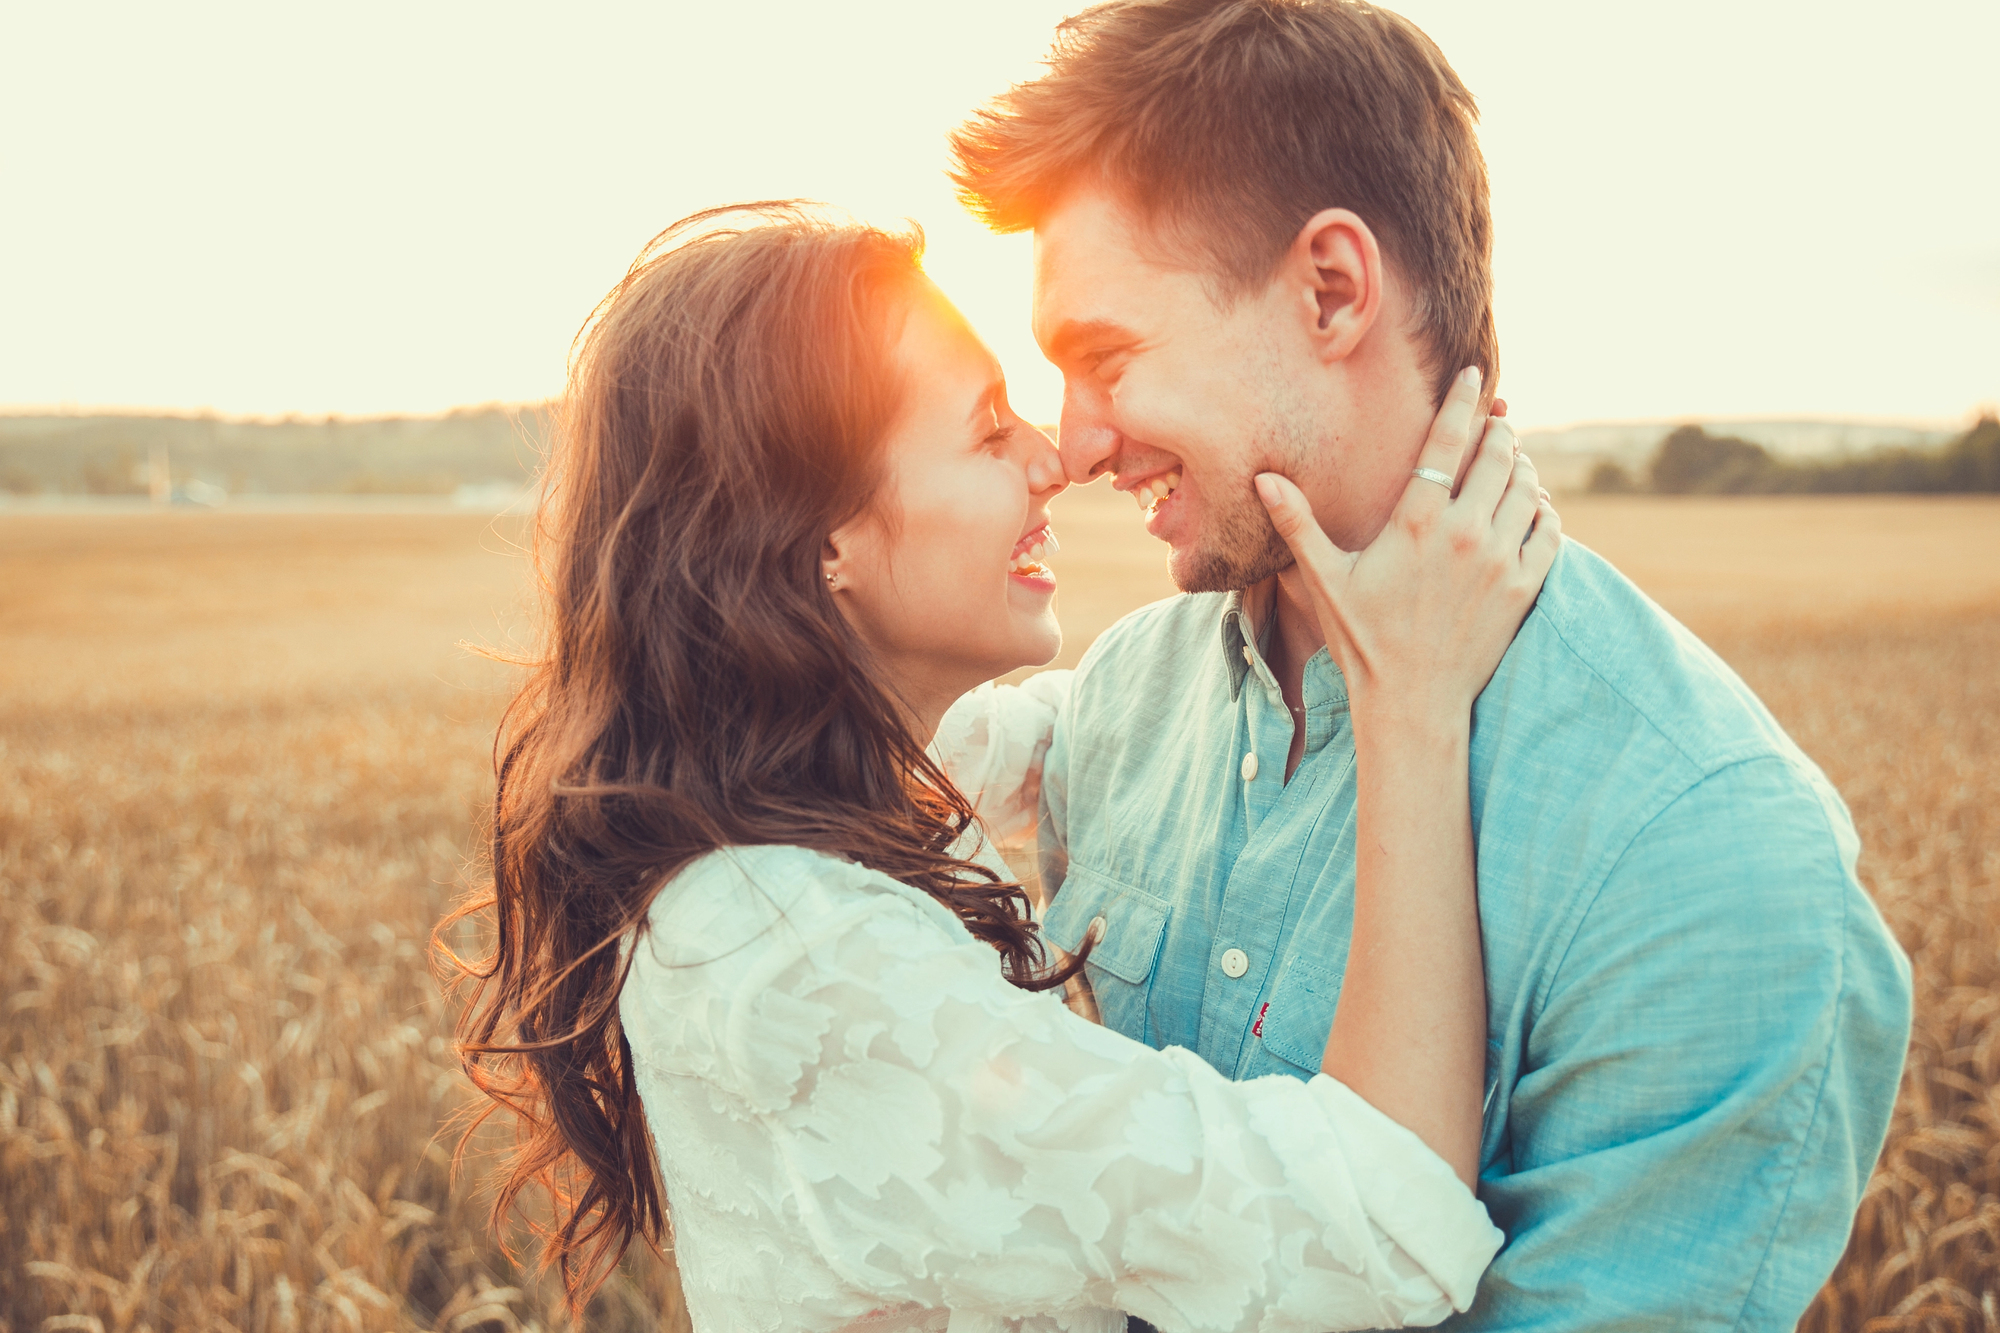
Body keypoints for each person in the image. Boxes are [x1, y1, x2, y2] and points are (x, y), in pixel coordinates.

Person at [946, 1, 1914, 1328]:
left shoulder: (1718, 859)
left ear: (1334, 289)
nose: (1077, 443)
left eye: (1106, 359)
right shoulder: (1124, 699)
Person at [445, 202, 1559, 1332]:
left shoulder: (799, 788)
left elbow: (1101, 731)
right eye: (986, 434)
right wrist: (1408, 699)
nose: (1053, 458)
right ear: (818, 538)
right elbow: (1376, 1236)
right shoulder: (806, 959)